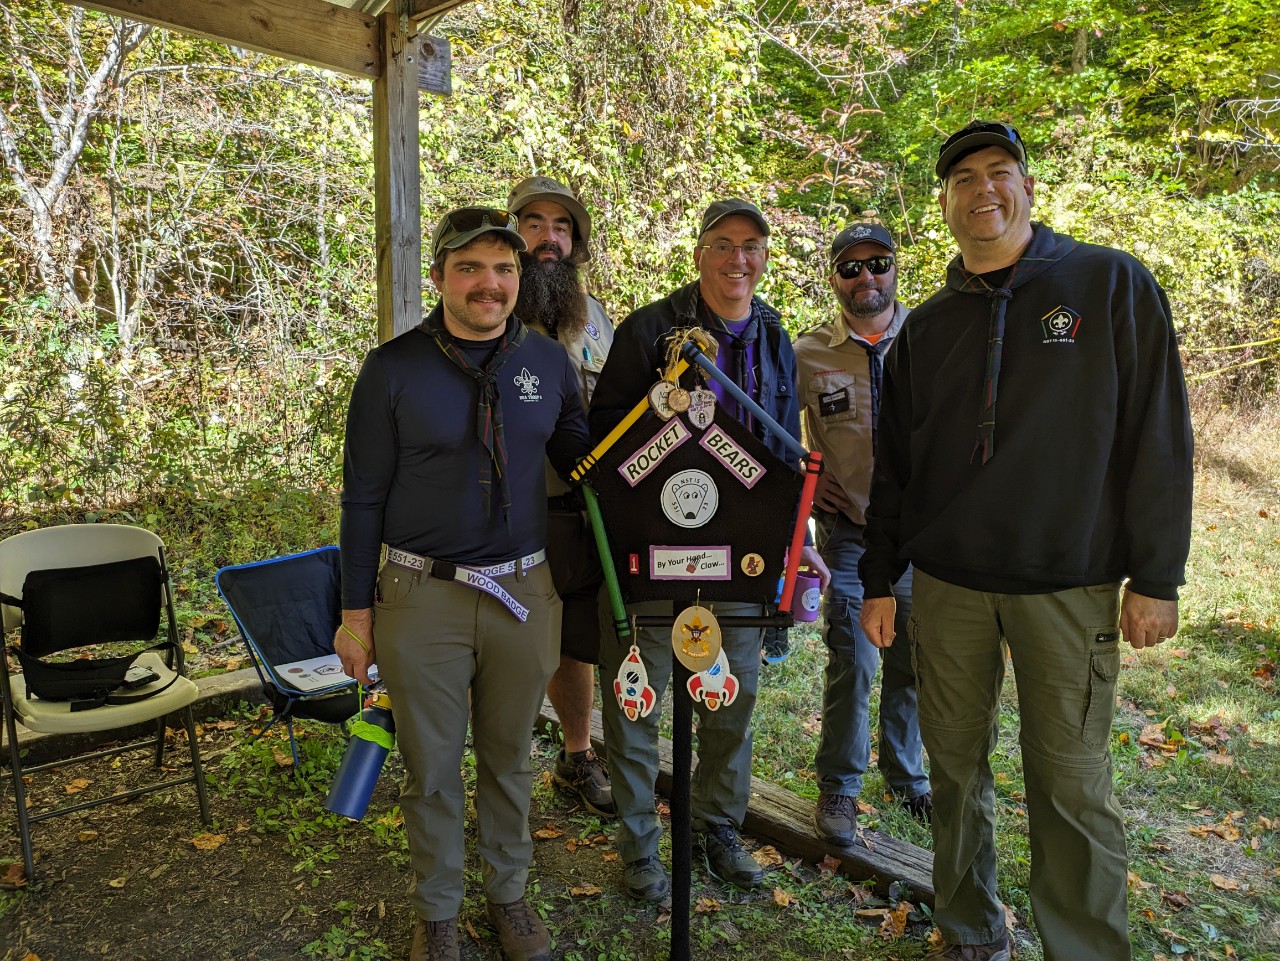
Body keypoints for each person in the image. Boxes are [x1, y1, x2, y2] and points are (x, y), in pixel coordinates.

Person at [858, 120, 1193, 961]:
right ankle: (968, 930)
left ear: (1028, 187)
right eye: (963, 178)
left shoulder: (1109, 284)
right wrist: (876, 576)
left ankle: (1081, 948)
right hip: (948, 585)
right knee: (955, 771)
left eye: (999, 172)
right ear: (944, 202)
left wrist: (1157, 574)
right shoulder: (925, 331)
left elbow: (1159, 432)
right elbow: (894, 470)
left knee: (1070, 782)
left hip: (1068, 582)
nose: (983, 191)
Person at [335, 205, 592, 961]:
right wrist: (356, 614)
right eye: (472, 268)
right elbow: (361, 500)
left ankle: (509, 896)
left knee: (511, 757)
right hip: (423, 594)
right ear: (441, 274)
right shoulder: (393, 369)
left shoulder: (548, 364)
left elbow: (587, 459)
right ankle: (439, 910)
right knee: (433, 764)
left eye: (505, 268)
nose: (490, 283)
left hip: (524, 590)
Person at [589, 198, 830, 901]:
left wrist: (796, 544)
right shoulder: (650, 330)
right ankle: (640, 846)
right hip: (654, 551)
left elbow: (788, 457)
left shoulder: (774, 338)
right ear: (699, 255)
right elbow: (603, 444)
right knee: (636, 704)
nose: (738, 260)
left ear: (764, 256)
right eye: (723, 245)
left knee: (733, 699)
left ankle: (716, 828)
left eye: (752, 246)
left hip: (743, 557)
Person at [793, 223, 930, 849]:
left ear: (895, 268)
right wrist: (799, 473)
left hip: (926, 536)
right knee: (854, 651)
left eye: (877, 263)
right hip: (850, 533)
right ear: (835, 280)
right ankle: (840, 789)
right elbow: (763, 424)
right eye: (850, 268)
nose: (865, 277)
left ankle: (906, 776)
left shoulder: (935, 338)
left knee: (913, 656)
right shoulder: (809, 353)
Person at [507, 175, 616, 817]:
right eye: (535, 222)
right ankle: (502, 765)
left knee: (581, 638)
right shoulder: (489, 306)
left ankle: (579, 755)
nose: (549, 237)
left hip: (591, 510)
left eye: (563, 227)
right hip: (518, 511)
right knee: (514, 644)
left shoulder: (594, 316)